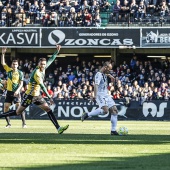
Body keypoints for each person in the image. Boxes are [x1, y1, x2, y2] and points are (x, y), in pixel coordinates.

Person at [0, 45, 69, 134]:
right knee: (18, 112)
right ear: (38, 64)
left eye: (44, 64)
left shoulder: (43, 69)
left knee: (48, 110)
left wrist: (57, 51)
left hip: (37, 96)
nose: (43, 65)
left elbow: (51, 60)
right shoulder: (36, 73)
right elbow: (42, 86)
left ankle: (59, 128)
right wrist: (49, 97)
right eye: (42, 64)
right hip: (30, 96)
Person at [81, 61, 119, 135]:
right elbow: (96, 85)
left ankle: (113, 131)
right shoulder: (98, 74)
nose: (110, 71)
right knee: (105, 110)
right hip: (100, 95)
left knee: (115, 111)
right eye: (109, 69)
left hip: (106, 94)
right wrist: (95, 96)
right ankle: (87, 114)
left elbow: (105, 74)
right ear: (105, 67)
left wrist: (109, 75)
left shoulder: (104, 73)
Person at [1, 48, 27, 128]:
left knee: (20, 108)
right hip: (9, 92)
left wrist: (18, 91)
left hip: (16, 93)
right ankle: (8, 124)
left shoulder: (20, 73)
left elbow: (21, 83)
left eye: (16, 64)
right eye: (13, 64)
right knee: (6, 108)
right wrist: (3, 54)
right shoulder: (9, 70)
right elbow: (3, 63)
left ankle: (24, 124)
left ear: (18, 65)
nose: (15, 66)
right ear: (12, 65)